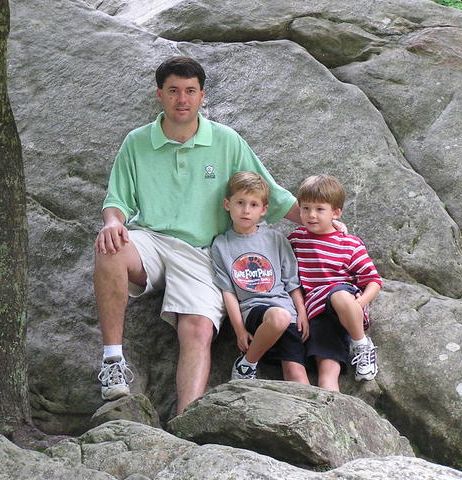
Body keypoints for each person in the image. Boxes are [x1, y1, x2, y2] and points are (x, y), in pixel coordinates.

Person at [93, 56, 303, 414]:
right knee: (110, 246)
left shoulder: (226, 141)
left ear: (202, 96)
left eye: (190, 91)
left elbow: (272, 194)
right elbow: (117, 202)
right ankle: (113, 362)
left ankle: (184, 426)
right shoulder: (136, 142)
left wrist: (319, 224)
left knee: (199, 331)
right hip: (152, 241)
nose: (182, 99)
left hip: (205, 253)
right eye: (173, 90)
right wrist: (113, 222)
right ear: (159, 94)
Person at [211, 172, 310, 384]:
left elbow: (292, 282)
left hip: (288, 312)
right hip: (255, 311)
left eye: (254, 205)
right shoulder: (221, 245)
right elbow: (228, 292)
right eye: (240, 203)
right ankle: (246, 364)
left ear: (264, 210)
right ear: (227, 204)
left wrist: (302, 312)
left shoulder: (275, 239)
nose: (246, 210)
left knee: (298, 377)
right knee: (278, 317)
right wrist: (239, 330)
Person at [288, 175, 382, 391]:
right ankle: (329, 415)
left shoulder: (349, 244)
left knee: (339, 295)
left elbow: (373, 281)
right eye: (305, 208)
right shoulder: (296, 239)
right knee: (327, 372)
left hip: (343, 303)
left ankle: (361, 345)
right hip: (316, 313)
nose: (311, 215)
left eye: (320, 209)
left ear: (336, 212)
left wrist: (357, 306)